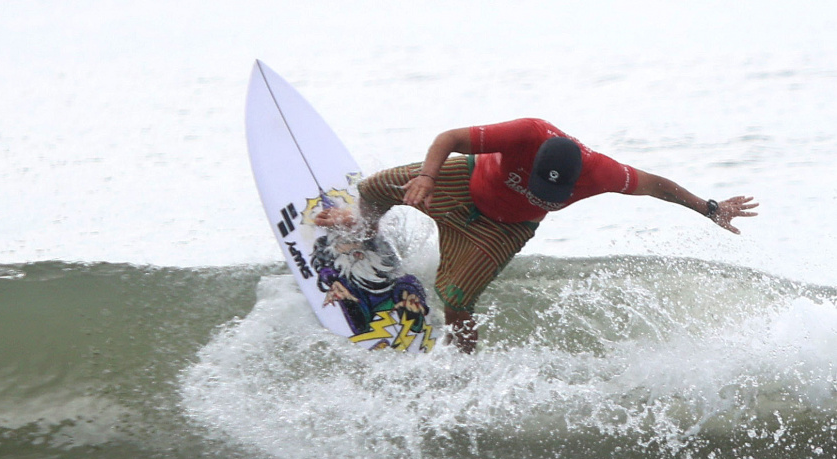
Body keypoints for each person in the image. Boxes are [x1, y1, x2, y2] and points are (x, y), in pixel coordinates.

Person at [315, 118, 759, 353]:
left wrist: (709, 208)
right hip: (460, 182)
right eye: (540, 188)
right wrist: (428, 178)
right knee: (373, 188)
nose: (544, 196)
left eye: (554, 194)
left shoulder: (603, 172)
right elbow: (448, 136)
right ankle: (364, 229)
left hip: (504, 229)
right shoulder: (526, 134)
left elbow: (656, 185)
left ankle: (459, 374)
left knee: (458, 301)